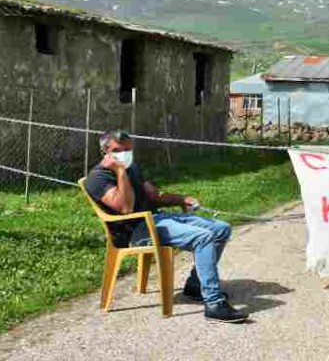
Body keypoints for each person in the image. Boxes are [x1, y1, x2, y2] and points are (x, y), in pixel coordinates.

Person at [85, 130, 248, 323]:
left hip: (155, 219)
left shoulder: (132, 168)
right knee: (203, 237)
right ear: (106, 152)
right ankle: (214, 303)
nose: (125, 155)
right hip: (134, 232)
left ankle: (195, 285)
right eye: (119, 150)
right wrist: (120, 171)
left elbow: (154, 196)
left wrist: (181, 199)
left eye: (129, 150)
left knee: (221, 228)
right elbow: (126, 208)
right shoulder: (97, 178)